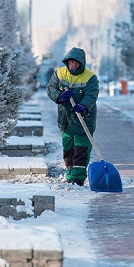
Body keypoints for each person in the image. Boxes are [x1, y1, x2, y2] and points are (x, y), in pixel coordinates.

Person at [47, 47, 99, 186]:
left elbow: (91, 95)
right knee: (68, 150)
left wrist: (83, 106)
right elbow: (51, 88)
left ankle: (78, 178)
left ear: (81, 63)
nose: (73, 65)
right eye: (71, 63)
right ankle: (70, 175)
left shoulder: (90, 78)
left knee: (81, 150)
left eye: (76, 63)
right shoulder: (59, 73)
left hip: (84, 120)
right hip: (66, 120)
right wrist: (59, 96)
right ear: (67, 62)